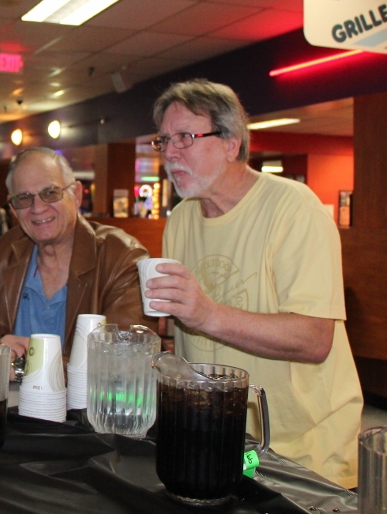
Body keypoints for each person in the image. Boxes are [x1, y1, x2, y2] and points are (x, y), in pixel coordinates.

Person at [144, 79, 363, 489]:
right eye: (164, 140)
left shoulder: (294, 209)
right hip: (221, 441)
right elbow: (184, 337)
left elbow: (315, 339)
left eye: (186, 137)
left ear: (231, 143)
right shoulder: (181, 220)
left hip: (305, 453)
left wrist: (208, 314)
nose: (170, 152)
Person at [0, 148, 151, 362]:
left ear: (76, 195)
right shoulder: (4, 254)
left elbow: (124, 356)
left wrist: (25, 364)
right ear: (13, 209)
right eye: (24, 198)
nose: (38, 208)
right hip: (9, 406)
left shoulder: (121, 257)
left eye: (50, 192)